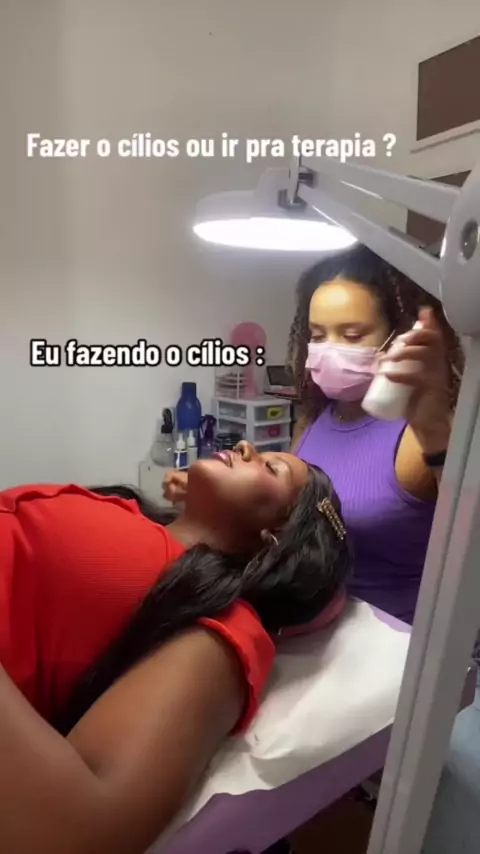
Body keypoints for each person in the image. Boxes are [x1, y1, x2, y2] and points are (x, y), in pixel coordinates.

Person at [0, 441, 350, 854]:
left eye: (272, 469)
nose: (244, 446)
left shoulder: (220, 625)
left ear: (276, 537)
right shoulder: (130, 512)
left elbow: (83, 830)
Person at [287, 243, 464, 624]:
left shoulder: (420, 437)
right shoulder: (312, 420)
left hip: (401, 641)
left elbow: (470, 543)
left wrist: (435, 430)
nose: (329, 351)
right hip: (322, 629)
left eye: (352, 336)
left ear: (397, 336)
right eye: (317, 336)